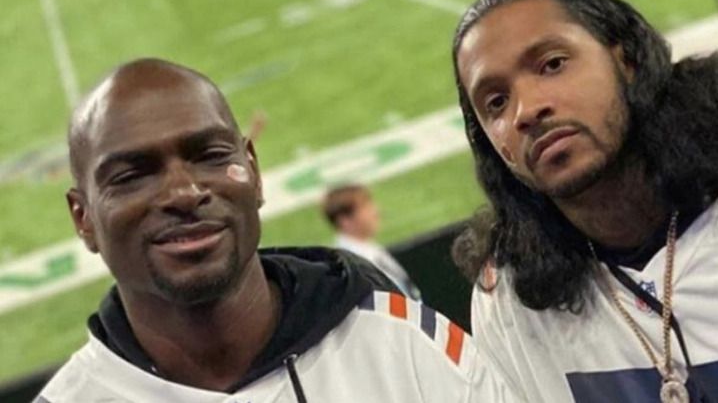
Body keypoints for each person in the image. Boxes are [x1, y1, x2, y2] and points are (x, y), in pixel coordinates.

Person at [37, 58, 518, 402]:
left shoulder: (401, 345)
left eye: (210, 156)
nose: (183, 193)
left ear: (255, 172)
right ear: (83, 218)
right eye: (132, 175)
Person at [451, 0, 718, 403]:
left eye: (553, 64)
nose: (526, 111)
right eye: (496, 103)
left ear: (627, 61)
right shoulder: (510, 298)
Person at [322, 184, 421, 299]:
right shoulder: (352, 264)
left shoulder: (368, 248)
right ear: (345, 220)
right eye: (365, 207)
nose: (376, 211)